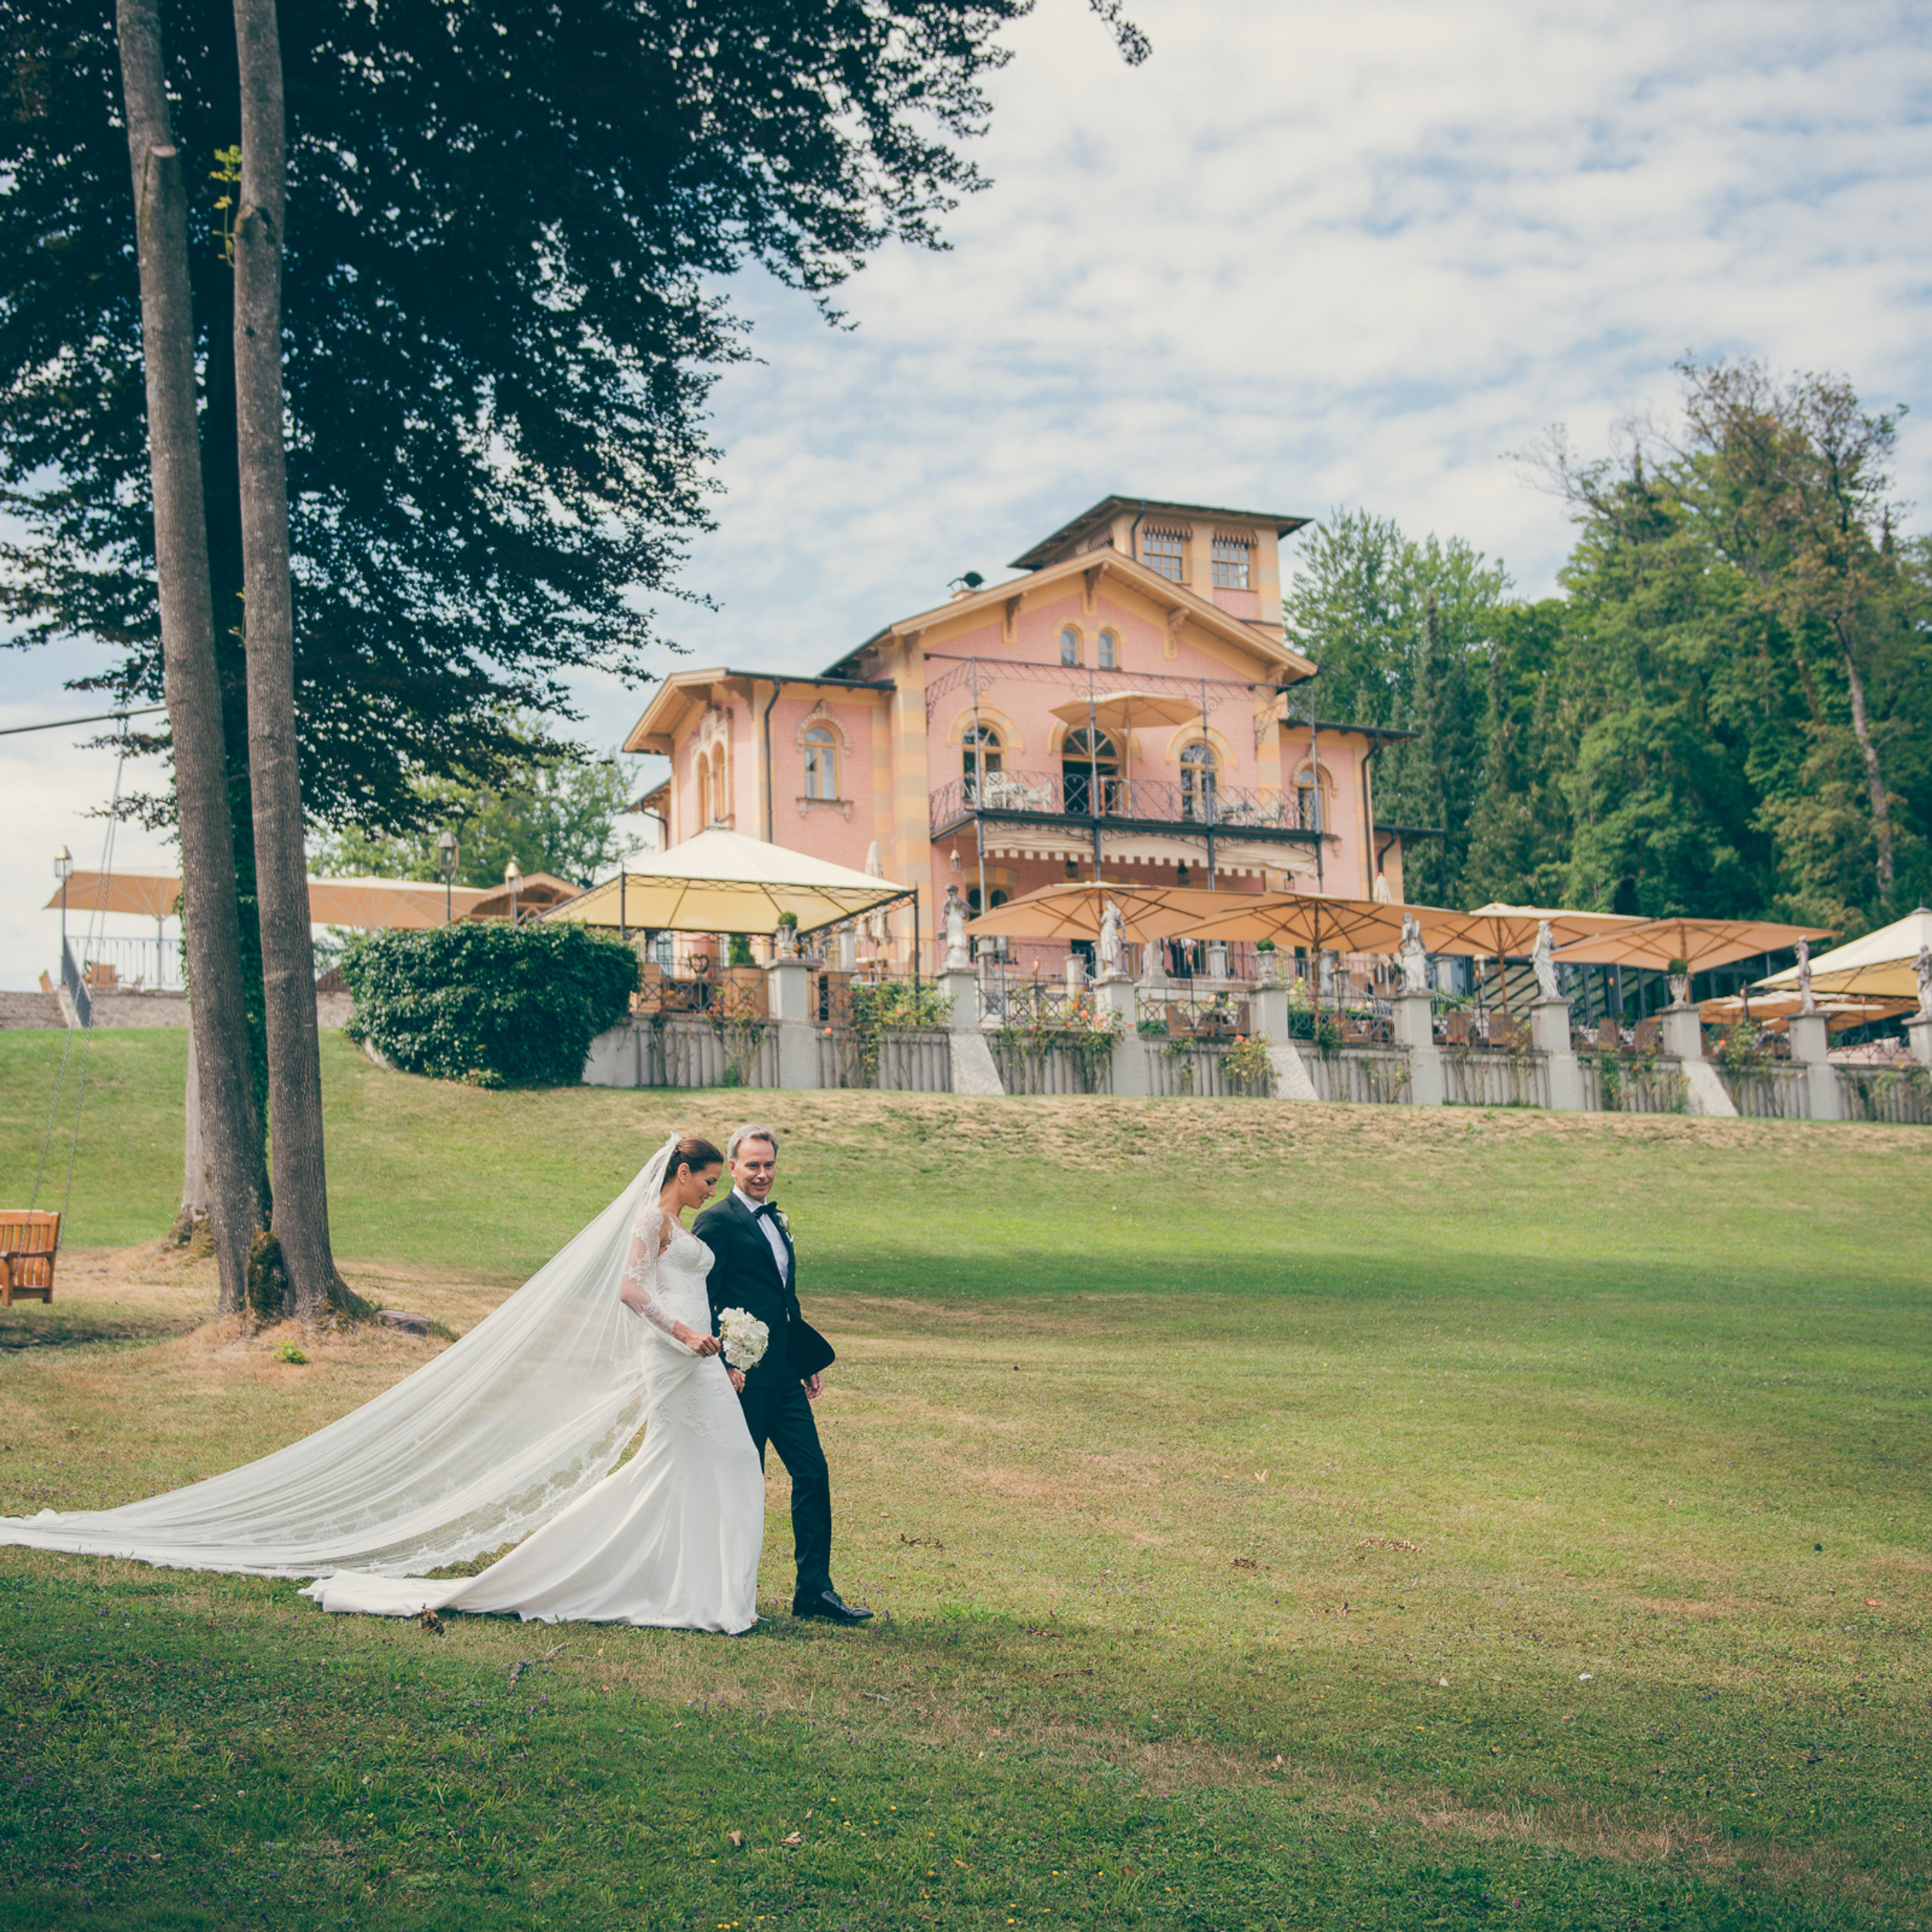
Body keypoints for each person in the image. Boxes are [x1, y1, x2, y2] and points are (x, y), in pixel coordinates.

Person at [299, 1134, 764, 1632]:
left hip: (698, 1359)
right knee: (694, 1465)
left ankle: (705, 1591)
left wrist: (718, 1350)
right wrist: (684, 1332)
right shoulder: (653, 1220)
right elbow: (629, 1288)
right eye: (709, 1181)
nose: (712, 1191)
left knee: (716, 1467)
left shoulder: (678, 1225)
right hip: (675, 1354)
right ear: (682, 1172)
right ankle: (619, 1576)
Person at [695, 1124, 872, 1625]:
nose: (762, 1174)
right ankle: (732, 1596)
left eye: (769, 1164)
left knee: (812, 1473)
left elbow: (782, 1301)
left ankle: (814, 1592)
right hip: (743, 1380)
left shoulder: (776, 1221)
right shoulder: (716, 1222)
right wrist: (725, 1362)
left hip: (784, 1377)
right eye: (752, 1165)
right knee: (745, 1485)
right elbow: (702, 1299)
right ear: (732, 1167)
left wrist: (805, 1358)